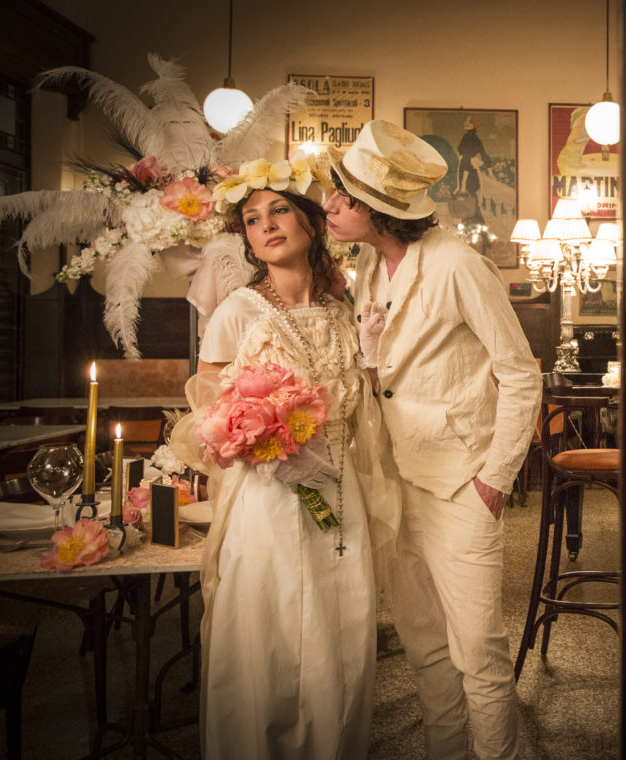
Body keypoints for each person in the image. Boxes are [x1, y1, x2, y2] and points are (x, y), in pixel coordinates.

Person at [323, 119, 541, 760]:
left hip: (461, 484)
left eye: (344, 196)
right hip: (394, 479)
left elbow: (521, 377)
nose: (331, 206)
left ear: (381, 210)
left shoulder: (458, 265)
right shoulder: (367, 267)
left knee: (478, 651)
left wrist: (495, 480)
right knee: (423, 646)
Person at [175, 164, 397, 758]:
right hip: (270, 490)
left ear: (309, 222)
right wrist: (264, 440)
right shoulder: (237, 312)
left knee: (338, 620)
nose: (265, 225)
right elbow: (209, 413)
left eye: (278, 211)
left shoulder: (343, 306)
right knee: (271, 621)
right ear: (246, 240)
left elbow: (365, 393)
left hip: (340, 487)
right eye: (251, 220)